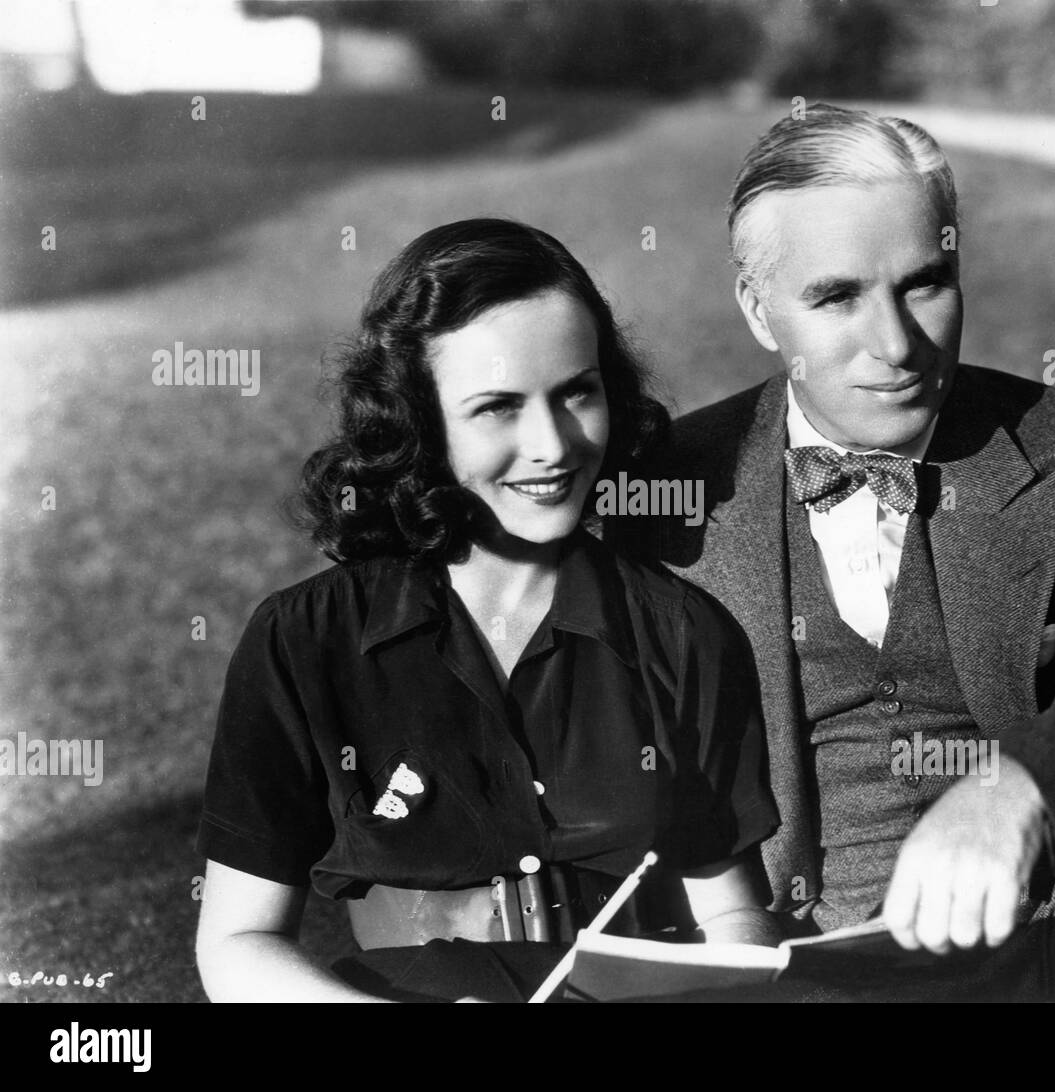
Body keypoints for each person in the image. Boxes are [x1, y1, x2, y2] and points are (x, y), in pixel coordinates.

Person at [612, 104, 1055, 1001]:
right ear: (758, 308)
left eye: (924, 283)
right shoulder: (663, 496)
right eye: (835, 296)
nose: (897, 346)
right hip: (804, 961)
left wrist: (1028, 785)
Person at [194, 218, 780, 1003]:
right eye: (497, 408)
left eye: (577, 392)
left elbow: (732, 908)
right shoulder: (303, 642)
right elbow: (237, 941)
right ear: (419, 424)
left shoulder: (682, 633)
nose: (552, 445)